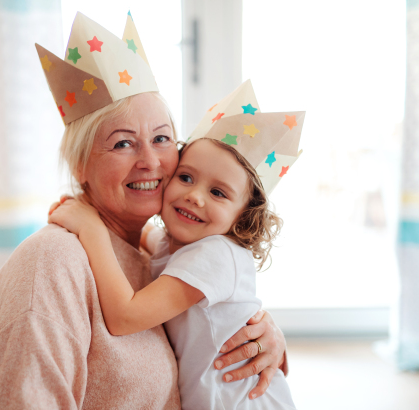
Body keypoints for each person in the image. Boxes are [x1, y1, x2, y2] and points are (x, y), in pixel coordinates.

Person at [0, 13, 288, 409]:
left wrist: (263, 333)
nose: (150, 161)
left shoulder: (151, 249)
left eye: (161, 138)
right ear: (80, 165)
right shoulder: (51, 264)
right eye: (123, 143)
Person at [48, 93, 301, 409]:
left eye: (218, 192)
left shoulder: (215, 256)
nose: (195, 196)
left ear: (243, 216)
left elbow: (125, 317)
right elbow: (153, 240)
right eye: (186, 177)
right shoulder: (183, 246)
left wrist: (92, 229)